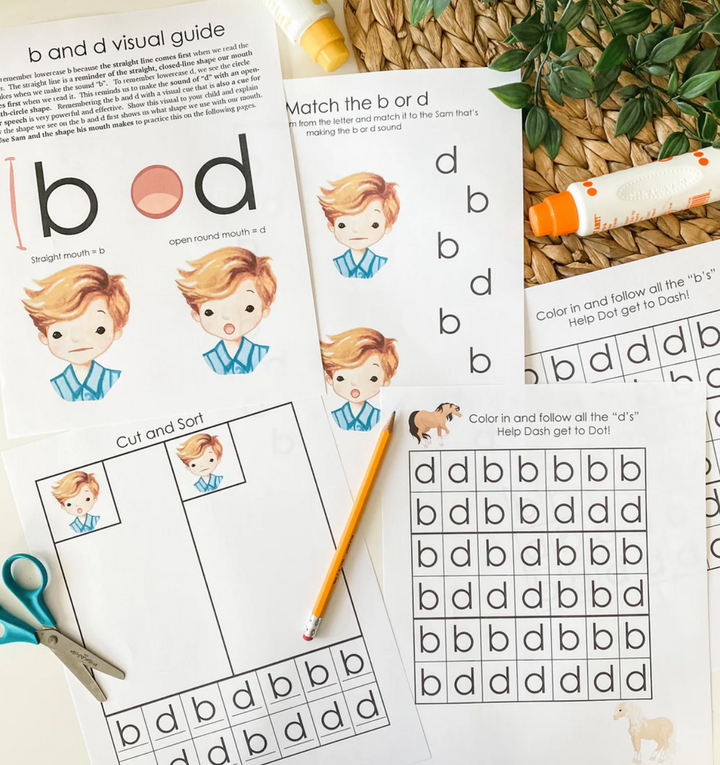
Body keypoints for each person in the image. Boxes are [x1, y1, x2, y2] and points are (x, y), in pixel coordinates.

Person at [23, 265, 130, 401]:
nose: (76, 339)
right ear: (44, 338)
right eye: (58, 334)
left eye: (99, 330)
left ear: (116, 331)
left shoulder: (117, 380)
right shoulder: (52, 387)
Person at [176, 247, 277, 375]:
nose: (227, 316)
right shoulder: (207, 360)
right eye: (210, 312)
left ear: (264, 310)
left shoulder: (263, 355)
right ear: (197, 315)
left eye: (248, 308)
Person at [318, 172, 399, 279]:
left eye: (374, 224)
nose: (356, 230)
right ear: (332, 227)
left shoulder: (383, 265)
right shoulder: (333, 266)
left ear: (387, 227)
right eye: (342, 225)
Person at [320, 327, 399, 431]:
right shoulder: (333, 418)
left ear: (385, 382)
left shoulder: (379, 417)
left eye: (373, 378)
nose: (355, 383)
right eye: (341, 378)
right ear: (330, 379)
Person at [51, 471, 101, 535]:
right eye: (69, 504)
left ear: (95, 498)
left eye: (87, 499)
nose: (78, 505)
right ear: (63, 506)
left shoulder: (97, 520)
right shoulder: (71, 527)